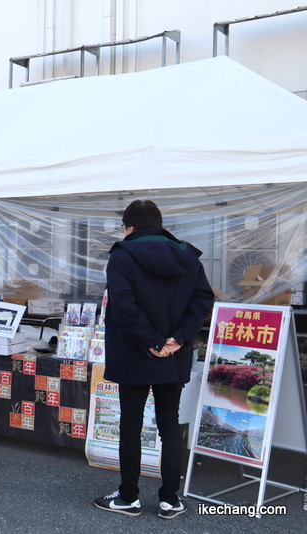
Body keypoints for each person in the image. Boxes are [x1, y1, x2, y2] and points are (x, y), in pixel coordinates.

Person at [94, 200, 213, 519]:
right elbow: (203, 299)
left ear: (129, 227)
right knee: (169, 425)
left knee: (131, 424)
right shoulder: (188, 254)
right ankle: (170, 499)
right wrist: (176, 339)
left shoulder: (122, 254)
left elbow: (122, 305)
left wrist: (152, 342)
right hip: (174, 354)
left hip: (134, 352)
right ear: (159, 224)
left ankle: (129, 497)